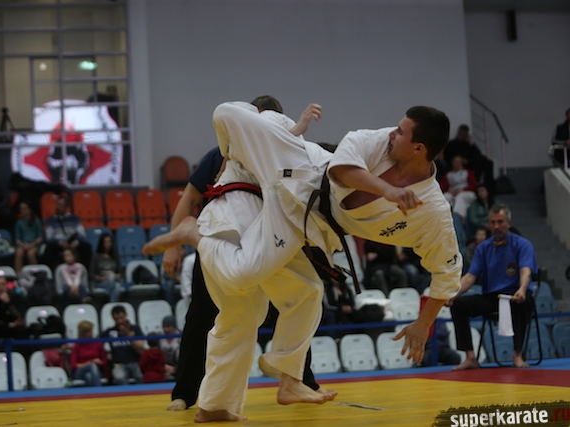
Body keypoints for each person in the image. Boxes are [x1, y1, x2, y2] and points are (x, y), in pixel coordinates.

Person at [144, 101, 462, 422]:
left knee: (305, 294)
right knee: (243, 280)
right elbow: (340, 171)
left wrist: (423, 323)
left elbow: (447, 271)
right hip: (291, 183)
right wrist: (233, 148)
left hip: (302, 217)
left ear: (419, 148)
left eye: (401, 131)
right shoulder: (371, 140)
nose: (392, 132)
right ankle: (194, 235)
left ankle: (265, 387)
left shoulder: (433, 211)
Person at [160, 99, 333, 416]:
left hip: (244, 224)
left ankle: (215, 405)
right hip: (232, 221)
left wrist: (297, 129)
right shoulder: (237, 138)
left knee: (239, 317)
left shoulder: (268, 146)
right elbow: (191, 193)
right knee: (289, 290)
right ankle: (190, 391)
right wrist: (296, 127)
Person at [447, 204, 536, 370]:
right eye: (492, 222)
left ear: (508, 223)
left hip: (515, 295)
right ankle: (470, 357)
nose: (496, 226)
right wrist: (453, 294)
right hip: (493, 298)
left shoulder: (523, 245)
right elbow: (470, 277)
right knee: (458, 305)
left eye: (500, 222)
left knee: (523, 302)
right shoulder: (483, 248)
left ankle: (517, 354)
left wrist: (522, 289)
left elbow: (526, 271)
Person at [43, 196, 92, 271]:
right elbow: (49, 237)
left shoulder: (74, 219)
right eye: (57, 204)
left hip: (72, 242)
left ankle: (86, 271)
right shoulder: (51, 220)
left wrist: (75, 242)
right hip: (59, 243)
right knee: (49, 249)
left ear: (66, 207)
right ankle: (50, 273)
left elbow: (82, 234)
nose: (57, 207)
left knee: (87, 247)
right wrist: (60, 243)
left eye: (60, 205)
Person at [101, 305, 144, 385]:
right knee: (119, 377)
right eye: (117, 319)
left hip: (135, 362)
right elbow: (96, 343)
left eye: (121, 317)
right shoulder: (110, 332)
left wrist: (128, 335)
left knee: (140, 376)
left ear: (126, 315)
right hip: (118, 364)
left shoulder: (135, 329)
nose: (120, 321)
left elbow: (140, 349)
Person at [443, 124, 494, 190]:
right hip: (456, 163)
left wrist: (471, 142)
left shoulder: (468, 144)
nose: (461, 136)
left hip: (469, 163)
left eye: (463, 134)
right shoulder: (451, 144)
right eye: (460, 133)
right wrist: (460, 160)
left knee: (487, 162)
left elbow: (478, 154)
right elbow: (447, 156)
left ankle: (489, 187)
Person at [0, 273, 27, 341]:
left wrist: (8, 303)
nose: (0, 287)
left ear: (7, 285)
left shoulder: (16, 297)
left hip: (15, 328)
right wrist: (7, 325)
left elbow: (20, 317)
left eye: (3, 284)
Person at [440, 155, 478, 222]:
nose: (458, 163)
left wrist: (463, 190)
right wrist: (449, 191)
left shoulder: (467, 172)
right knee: (445, 197)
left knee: (460, 197)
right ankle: (441, 218)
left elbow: (474, 185)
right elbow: (443, 187)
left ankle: (459, 219)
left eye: (459, 161)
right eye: (456, 161)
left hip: (466, 192)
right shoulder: (448, 174)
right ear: (452, 163)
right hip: (453, 192)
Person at [70, 320, 106, 387]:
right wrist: (87, 364)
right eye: (88, 332)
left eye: (91, 331)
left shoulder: (98, 343)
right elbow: (73, 365)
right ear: (82, 333)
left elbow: (104, 362)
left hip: (96, 371)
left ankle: (93, 393)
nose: (91, 333)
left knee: (88, 376)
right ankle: (100, 390)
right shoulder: (77, 345)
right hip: (80, 371)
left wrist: (99, 362)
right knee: (91, 366)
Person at [91, 233, 122, 302]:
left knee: (112, 277)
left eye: (109, 242)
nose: (108, 244)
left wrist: (112, 275)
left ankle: (107, 294)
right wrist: (102, 278)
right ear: (101, 243)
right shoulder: (96, 256)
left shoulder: (116, 256)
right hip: (102, 282)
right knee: (117, 286)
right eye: (105, 242)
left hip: (114, 278)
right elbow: (92, 274)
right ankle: (112, 305)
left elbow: (120, 273)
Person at [14, 201, 44, 272]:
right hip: (23, 245)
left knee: (30, 254)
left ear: (30, 209)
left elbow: (40, 238)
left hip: (34, 245)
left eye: (25, 208)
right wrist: (23, 245)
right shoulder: (19, 223)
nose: (23, 210)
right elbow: (17, 239)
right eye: (21, 208)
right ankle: (18, 274)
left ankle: (35, 273)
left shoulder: (36, 221)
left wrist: (31, 245)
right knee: (18, 252)